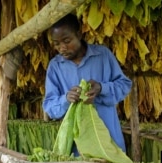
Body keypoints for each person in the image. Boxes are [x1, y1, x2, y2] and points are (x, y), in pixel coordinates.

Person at [42, 13, 132, 154]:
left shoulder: (103, 55)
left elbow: (124, 85)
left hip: (109, 141)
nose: (62, 48)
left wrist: (102, 88)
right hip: (76, 149)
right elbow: (49, 106)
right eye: (57, 43)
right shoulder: (55, 66)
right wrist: (66, 99)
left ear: (79, 34)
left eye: (66, 41)